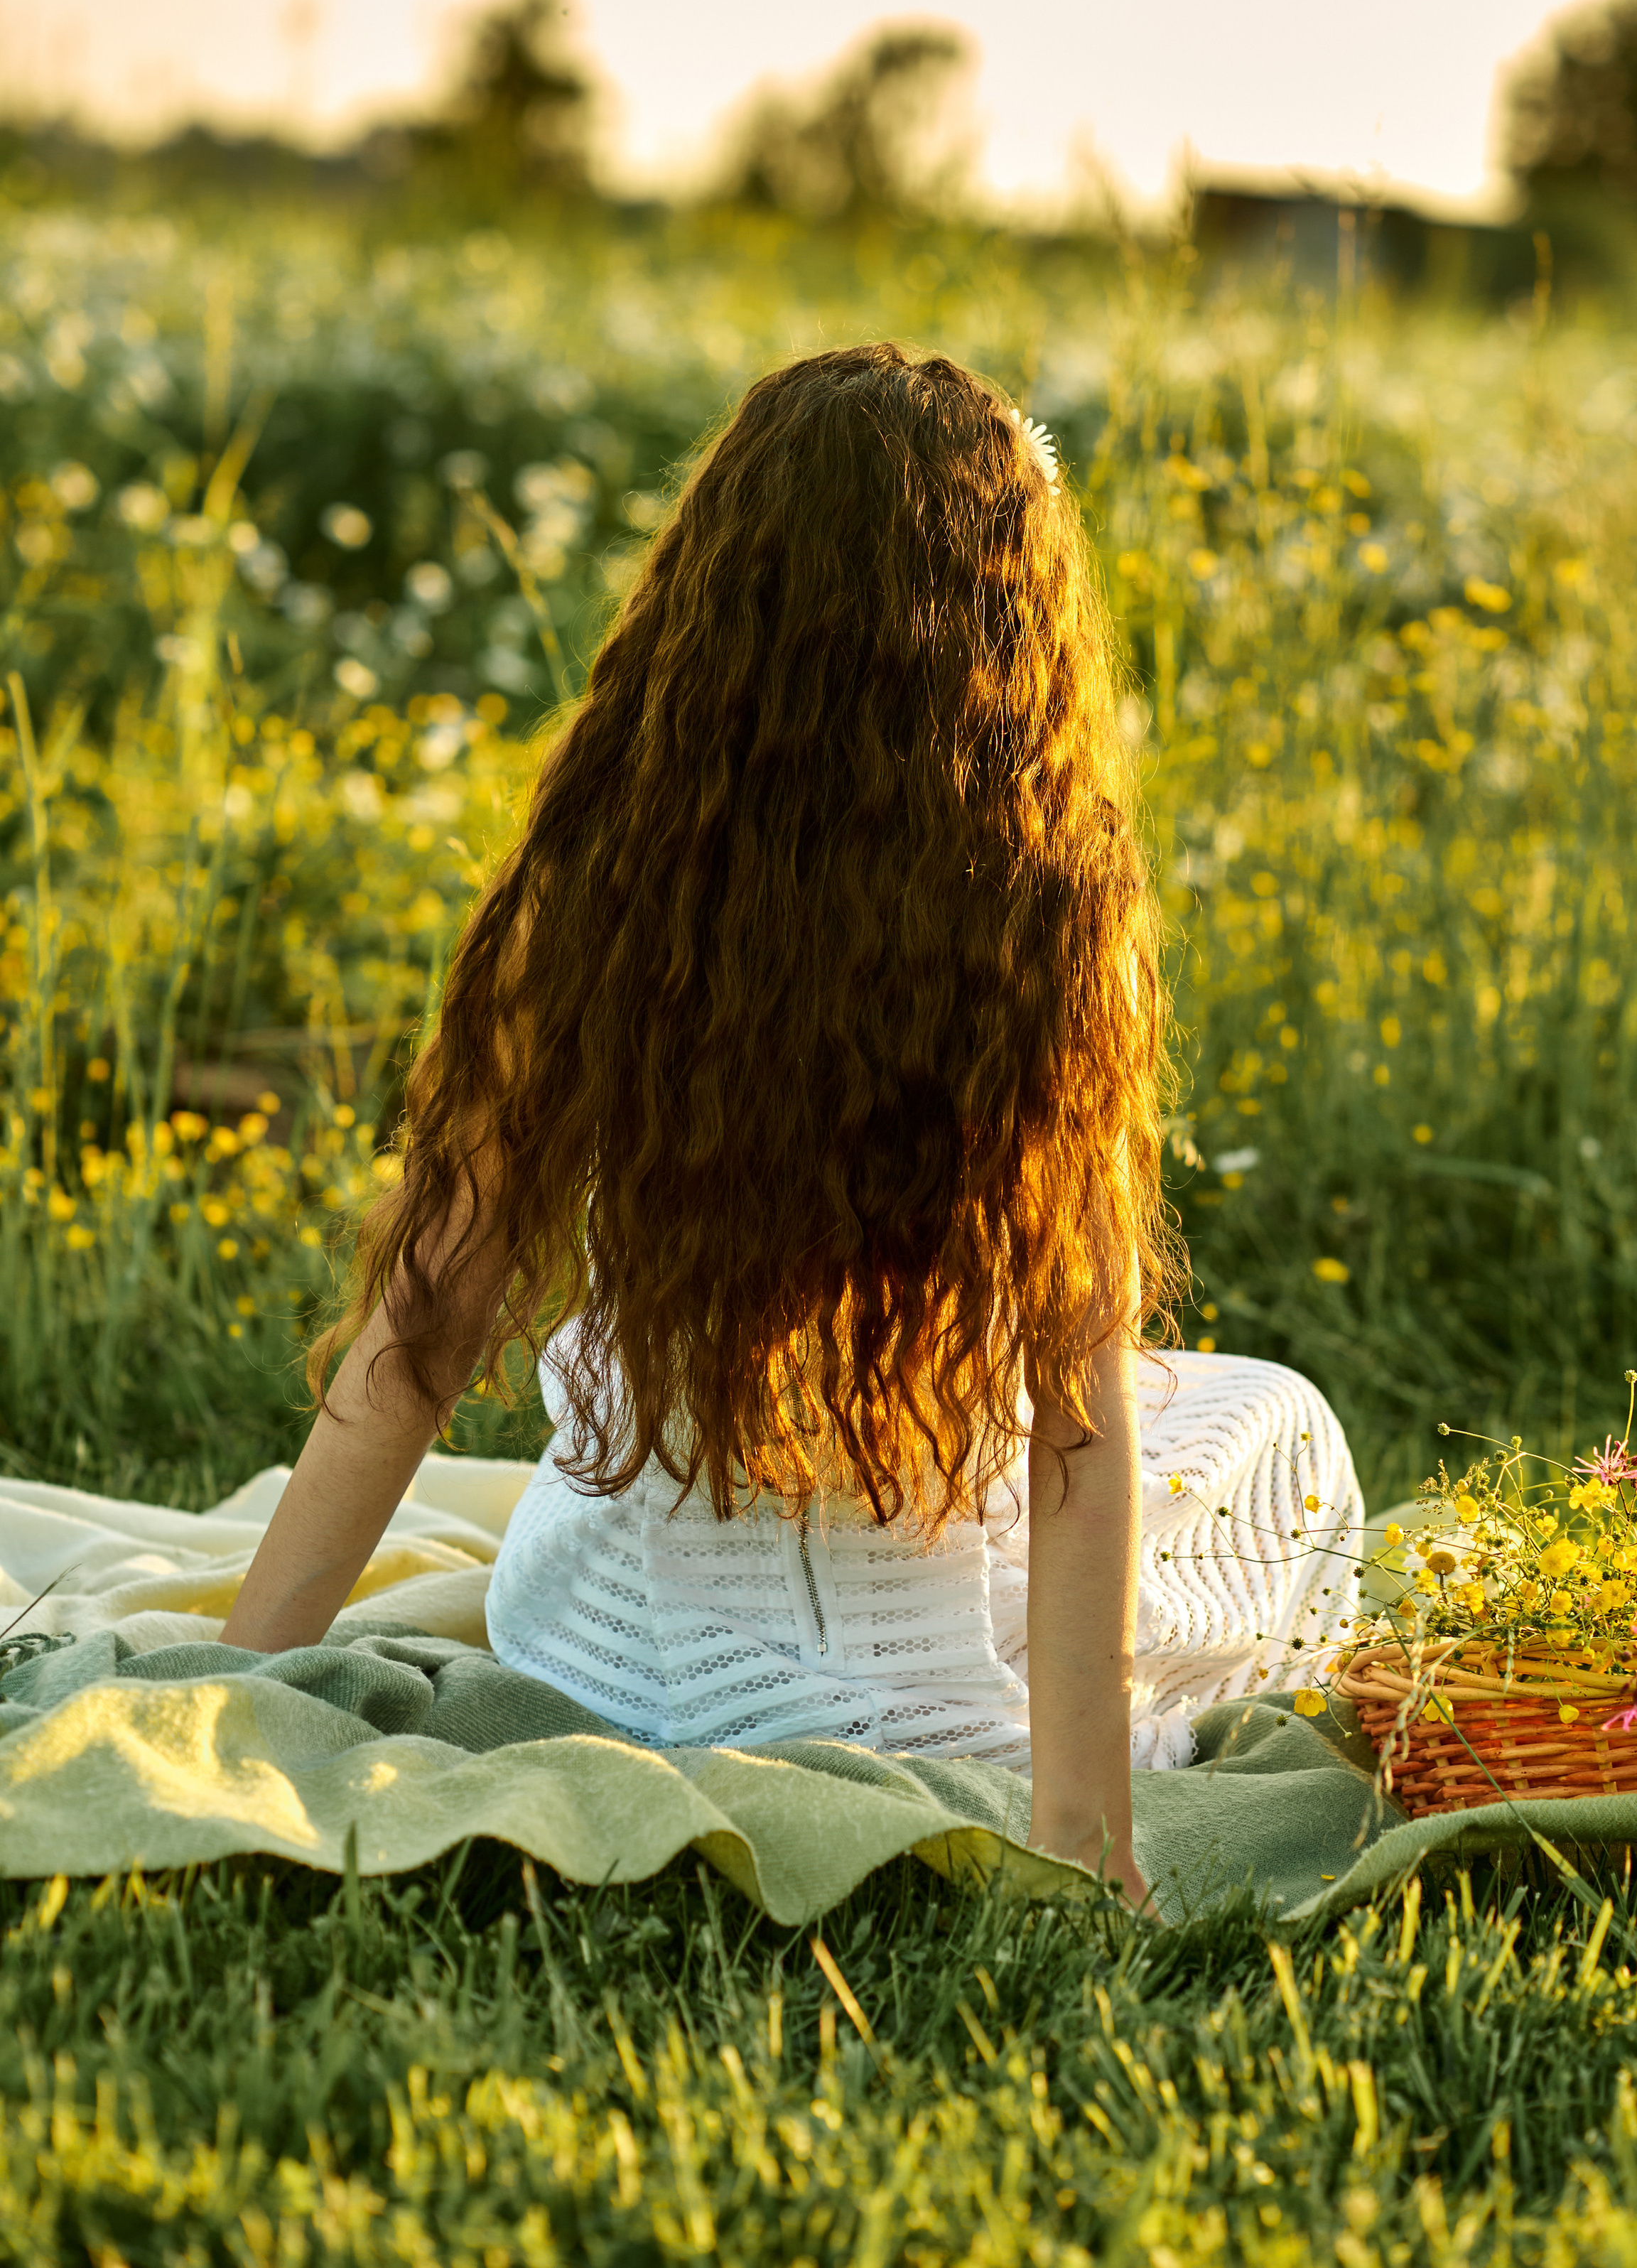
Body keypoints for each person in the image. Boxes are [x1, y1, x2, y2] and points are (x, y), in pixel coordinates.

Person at [222, 344, 1361, 1906]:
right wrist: (1083, 1833)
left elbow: (423, 1329)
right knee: (1272, 1429)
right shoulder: (1043, 916)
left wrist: (233, 1683)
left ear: (709, 588)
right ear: (1003, 615)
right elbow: (1077, 1427)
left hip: (604, 1652)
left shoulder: (596, 890)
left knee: (1194, 1415)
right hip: (925, 1700)